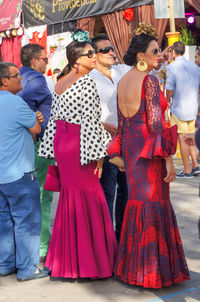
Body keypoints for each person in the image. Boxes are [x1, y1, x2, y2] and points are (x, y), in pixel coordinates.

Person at [107, 24, 190, 288]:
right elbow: (157, 125)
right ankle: (153, 273)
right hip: (149, 150)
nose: (160, 55)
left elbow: (121, 124)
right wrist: (168, 158)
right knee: (154, 204)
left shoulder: (123, 80)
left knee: (136, 203)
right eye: (155, 51)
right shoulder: (150, 81)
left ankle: (133, 269)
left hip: (132, 148)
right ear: (140, 55)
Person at [38, 31, 118, 280]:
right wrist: (100, 157)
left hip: (64, 143)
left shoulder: (61, 81)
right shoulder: (85, 82)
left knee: (71, 199)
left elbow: (57, 120)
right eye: (90, 54)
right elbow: (91, 122)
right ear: (77, 60)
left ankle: (68, 262)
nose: (94, 57)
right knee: (90, 197)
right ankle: (92, 263)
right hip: (80, 144)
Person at [0, 62, 48, 281]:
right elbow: (36, 129)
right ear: (4, 81)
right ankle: (27, 268)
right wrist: (36, 119)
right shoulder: (16, 102)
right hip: (19, 172)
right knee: (27, 221)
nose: (20, 78)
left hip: (3, 173)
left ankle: (6, 264)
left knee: (4, 220)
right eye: (15, 75)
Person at [90, 34, 130, 241]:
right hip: (103, 145)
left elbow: (145, 72)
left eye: (111, 48)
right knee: (107, 193)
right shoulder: (89, 79)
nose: (111, 53)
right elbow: (82, 114)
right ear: (94, 56)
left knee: (126, 191)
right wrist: (102, 124)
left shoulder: (121, 70)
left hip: (126, 142)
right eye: (105, 50)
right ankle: (106, 243)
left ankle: (121, 237)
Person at [18, 43, 54, 259]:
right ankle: (42, 246)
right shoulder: (37, 79)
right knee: (42, 195)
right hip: (40, 143)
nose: (46, 62)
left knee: (27, 196)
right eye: (45, 59)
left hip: (26, 143)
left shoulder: (20, 75)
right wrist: (30, 117)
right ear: (35, 61)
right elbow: (20, 101)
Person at [166, 41, 200, 178]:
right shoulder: (194, 67)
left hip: (179, 106)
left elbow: (169, 88)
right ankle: (195, 165)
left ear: (173, 52)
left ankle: (187, 169)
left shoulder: (171, 67)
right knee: (190, 136)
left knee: (183, 138)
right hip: (192, 107)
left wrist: (168, 100)